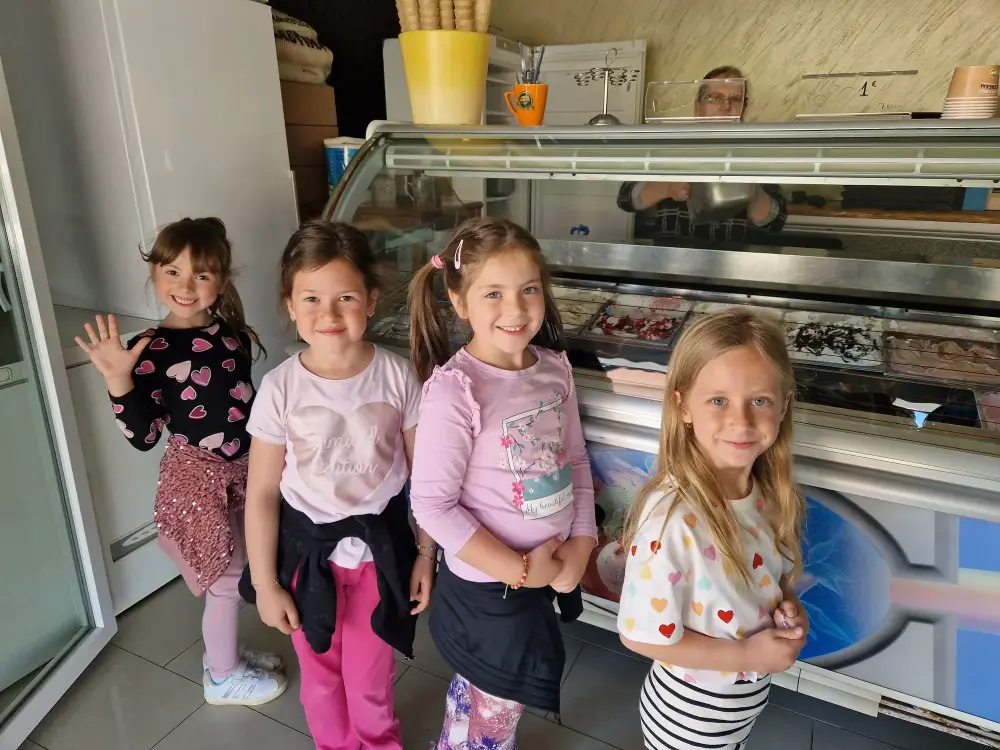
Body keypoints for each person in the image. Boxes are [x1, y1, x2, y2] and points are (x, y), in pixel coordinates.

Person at [74, 217, 286, 705]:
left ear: (222, 281)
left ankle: (224, 655)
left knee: (245, 566)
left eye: (201, 275)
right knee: (226, 577)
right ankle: (222, 677)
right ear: (154, 273)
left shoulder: (230, 334)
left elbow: (242, 403)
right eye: (172, 272)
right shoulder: (148, 349)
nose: (186, 286)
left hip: (245, 470)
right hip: (197, 480)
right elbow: (144, 436)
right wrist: (118, 381)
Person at [242, 221, 436, 750]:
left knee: (371, 680)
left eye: (345, 297)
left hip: (380, 555)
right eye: (311, 298)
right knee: (321, 678)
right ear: (290, 305)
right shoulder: (279, 388)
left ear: (370, 300)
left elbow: (426, 480)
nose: (328, 314)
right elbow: (262, 493)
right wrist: (265, 583)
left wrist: (426, 554)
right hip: (306, 559)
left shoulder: (398, 377)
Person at [408, 217, 598, 749]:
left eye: (528, 290)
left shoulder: (555, 369)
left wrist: (582, 543)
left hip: (542, 571)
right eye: (493, 293)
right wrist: (522, 572)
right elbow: (432, 505)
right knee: (496, 709)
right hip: (491, 588)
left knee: (484, 697)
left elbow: (576, 459)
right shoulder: (456, 391)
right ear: (459, 300)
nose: (515, 309)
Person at [617, 310, 808, 750]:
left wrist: (789, 607)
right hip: (689, 721)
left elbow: (769, 579)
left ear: (784, 405)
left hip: (736, 710)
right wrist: (746, 655)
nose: (741, 421)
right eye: (718, 400)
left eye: (759, 400)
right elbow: (639, 634)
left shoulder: (765, 494)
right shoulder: (672, 519)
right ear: (683, 406)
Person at [618, 66, 787, 244]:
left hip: (734, 258)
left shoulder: (755, 153)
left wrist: (750, 192)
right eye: (715, 98)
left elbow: (776, 222)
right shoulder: (672, 146)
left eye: (735, 99)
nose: (726, 106)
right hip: (672, 256)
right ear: (698, 106)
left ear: (744, 108)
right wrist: (668, 187)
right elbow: (626, 198)